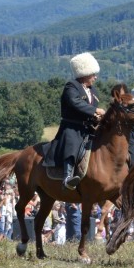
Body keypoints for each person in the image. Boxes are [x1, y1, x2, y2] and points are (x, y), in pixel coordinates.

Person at [47, 52, 106, 190]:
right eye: (93, 74)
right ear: (85, 73)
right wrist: (95, 111)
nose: (95, 77)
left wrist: (96, 118)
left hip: (89, 128)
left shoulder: (93, 91)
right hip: (72, 127)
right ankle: (67, 178)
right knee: (72, 143)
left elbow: (90, 108)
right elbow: (75, 103)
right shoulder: (71, 86)